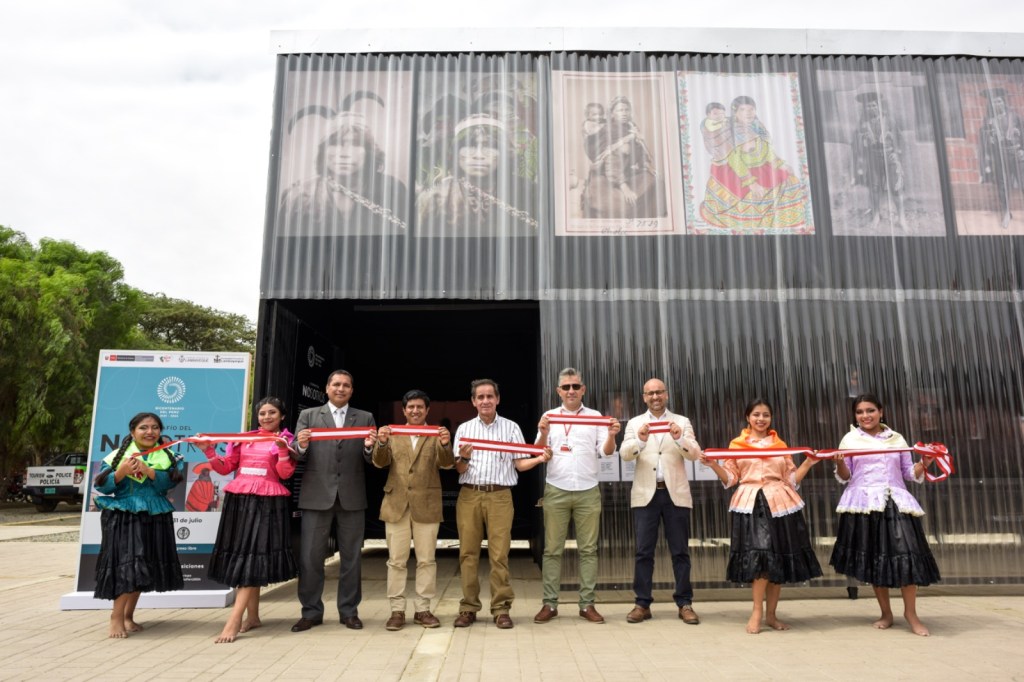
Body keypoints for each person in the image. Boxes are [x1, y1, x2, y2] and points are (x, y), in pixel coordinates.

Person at [699, 399, 822, 634]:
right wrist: (713, 465)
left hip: (780, 502)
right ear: (748, 417)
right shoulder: (736, 445)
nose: (761, 419)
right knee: (761, 558)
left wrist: (808, 463)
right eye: (756, 414)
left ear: (771, 418)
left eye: (766, 415)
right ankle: (757, 611)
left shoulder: (780, 445)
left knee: (776, 559)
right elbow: (730, 479)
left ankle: (771, 615)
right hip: (751, 503)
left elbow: (791, 479)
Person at [829, 393, 941, 636]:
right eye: (860, 412)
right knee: (876, 559)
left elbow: (909, 473)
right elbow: (846, 477)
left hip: (896, 502)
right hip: (864, 505)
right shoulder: (849, 439)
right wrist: (839, 463)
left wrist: (926, 462)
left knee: (907, 556)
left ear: (881, 411)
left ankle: (911, 613)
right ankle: (886, 613)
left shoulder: (897, 438)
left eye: (870, 410)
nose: (865, 416)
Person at [199, 397, 298, 643]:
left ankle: (233, 620)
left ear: (282, 416)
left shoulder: (286, 440)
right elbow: (225, 468)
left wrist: (282, 450)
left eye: (272, 412)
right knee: (246, 556)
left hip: (267, 503)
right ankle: (253, 617)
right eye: (262, 413)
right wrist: (208, 451)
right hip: (240, 502)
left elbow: (285, 473)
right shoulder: (243, 439)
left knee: (252, 556)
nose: (266, 417)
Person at [452, 379, 549, 629]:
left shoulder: (511, 427)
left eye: (489, 396)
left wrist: (539, 459)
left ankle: (501, 608)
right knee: (468, 554)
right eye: (480, 397)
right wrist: (464, 458)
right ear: (473, 401)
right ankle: (468, 607)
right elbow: (459, 468)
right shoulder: (464, 429)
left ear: (498, 399)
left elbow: (520, 464)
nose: (485, 401)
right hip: (470, 494)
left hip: (500, 496)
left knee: (499, 554)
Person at [291, 370, 377, 632]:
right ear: (326, 388)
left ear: (352, 390)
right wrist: (301, 445)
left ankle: (349, 612)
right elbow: (297, 455)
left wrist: (369, 446)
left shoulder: (365, 417)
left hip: (352, 496)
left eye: (346, 385)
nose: (341, 389)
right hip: (316, 496)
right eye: (336, 384)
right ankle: (311, 612)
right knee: (310, 558)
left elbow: (372, 458)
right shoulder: (309, 416)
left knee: (352, 558)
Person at [533, 368, 619, 625]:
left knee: (588, 550)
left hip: (588, 490)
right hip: (556, 488)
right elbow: (537, 451)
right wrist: (544, 433)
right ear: (558, 391)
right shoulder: (549, 416)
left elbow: (606, 452)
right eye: (566, 387)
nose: (571, 391)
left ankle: (587, 604)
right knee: (552, 550)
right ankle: (550, 603)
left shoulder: (595, 417)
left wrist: (612, 435)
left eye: (575, 386)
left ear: (583, 389)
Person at [92, 412, 184, 638]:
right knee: (127, 566)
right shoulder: (117, 456)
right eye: (143, 427)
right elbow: (102, 487)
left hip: (155, 514)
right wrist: (121, 472)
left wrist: (149, 471)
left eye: (155, 427)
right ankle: (116, 618)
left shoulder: (168, 456)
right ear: (132, 432)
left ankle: (128, 616)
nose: (150, 432)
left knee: (144, 567)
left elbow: (169, 485)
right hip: (125, 515)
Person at [619, 378, 701, 624]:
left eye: (659, 392)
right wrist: (640, 441)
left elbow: (695, 454)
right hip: (646, 495)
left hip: (675, 494)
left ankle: (684, 603)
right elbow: (624, 455)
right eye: (650, 393)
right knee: (643, 552)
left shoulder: (682, 421)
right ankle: (642, 604)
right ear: (644, 397)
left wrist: (679, 438)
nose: (655, 397)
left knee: (680, 552)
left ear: (666, 394)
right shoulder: (635, 423)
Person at [372, 390, 455, 631]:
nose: (415, 411)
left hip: (426, 504)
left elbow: (447, 464)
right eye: (411, 407)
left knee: (426, 560)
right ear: (404, 410)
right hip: (396, 504)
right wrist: (382, 442)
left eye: (420, 407)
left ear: (427, 410)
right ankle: (397, 611)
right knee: (396, 561)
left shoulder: (437, 434)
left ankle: (423, 609)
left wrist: (445, 444)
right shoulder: (393, 432)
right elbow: (379, 462)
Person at [278, 105, 409, 235]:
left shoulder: (393, 190)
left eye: (355, 144)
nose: (344, 153)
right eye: (334, 143)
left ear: (369, 152)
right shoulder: (297, 197)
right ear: (323, 151)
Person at [417, 113, 538, 236]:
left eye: (489, 146)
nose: (478, 155)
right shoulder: (435, 197)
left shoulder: (529, 191)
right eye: (470, 146)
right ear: (456, 153)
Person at [699, 95, 808, 230]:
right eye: (743, 110)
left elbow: (766, 150)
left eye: (751, 109)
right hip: (737, 169)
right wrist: (751, 183)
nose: (749, 113)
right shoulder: (731, 130)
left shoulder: (757, 126)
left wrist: (780, 164)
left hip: (759, 164)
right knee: (754, 194)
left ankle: (780, 221)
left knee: (791, 180)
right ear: (735, 112)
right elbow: (735, 160)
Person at [582, 95, 666, 219]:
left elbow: (639, 150)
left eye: (626, 110)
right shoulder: (608, 130)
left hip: (625, 171)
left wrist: (648, 166)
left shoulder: (631, 127)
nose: (624, 113)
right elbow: (612, 160)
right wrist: (624, 187)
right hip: (606, 174)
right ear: (612, 114)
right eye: (620, 110)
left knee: (656, 181)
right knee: (621, 205)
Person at [851, 91, 908, 231]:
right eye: (868, 106)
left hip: (889, 156)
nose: (871, 108)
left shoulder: (889, 120)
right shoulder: (863, 124)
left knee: (896, 188)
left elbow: (900, 139)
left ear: (878, 106)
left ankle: (901, 218)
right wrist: (863, 140)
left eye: (873, 105)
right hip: (873, 158)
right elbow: (857, 144)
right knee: (874, 188)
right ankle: (876, 215)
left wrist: (896, 154)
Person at [978, 87, 1024, 229]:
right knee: (1003, 185)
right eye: (994, 102)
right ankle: (1006, 212)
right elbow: (984, 144)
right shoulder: (989, 122)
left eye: (999, 101)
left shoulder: (1014, 117)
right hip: (1000, 158)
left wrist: (1023, 151)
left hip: (1017, 155)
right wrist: (989, 139)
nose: (997, 104)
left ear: (1003, 102)